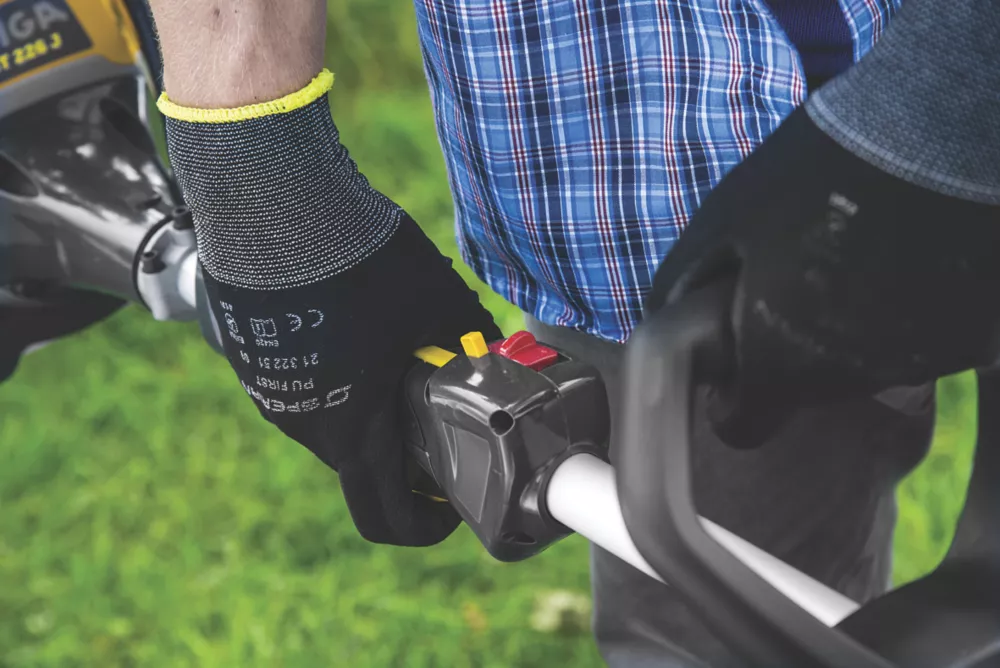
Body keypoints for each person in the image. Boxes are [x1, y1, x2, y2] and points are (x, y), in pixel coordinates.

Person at [145, 0, 999, 665]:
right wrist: (267, 183)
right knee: (720, 641)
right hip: (670, 193)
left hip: (867, 88)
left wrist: (942, 103)